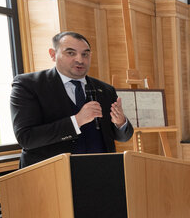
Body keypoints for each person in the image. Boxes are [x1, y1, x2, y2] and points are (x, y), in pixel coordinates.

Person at [10, 31, 133, 168]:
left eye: (85, 54)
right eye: (71, 53)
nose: (80, 60)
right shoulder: (28, 85)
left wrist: (120, 123)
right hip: (50, 177)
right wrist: (77, 121)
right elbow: (26, 138)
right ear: (53, 54)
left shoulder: (105, 90)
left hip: (101, 174)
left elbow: (123, 136)